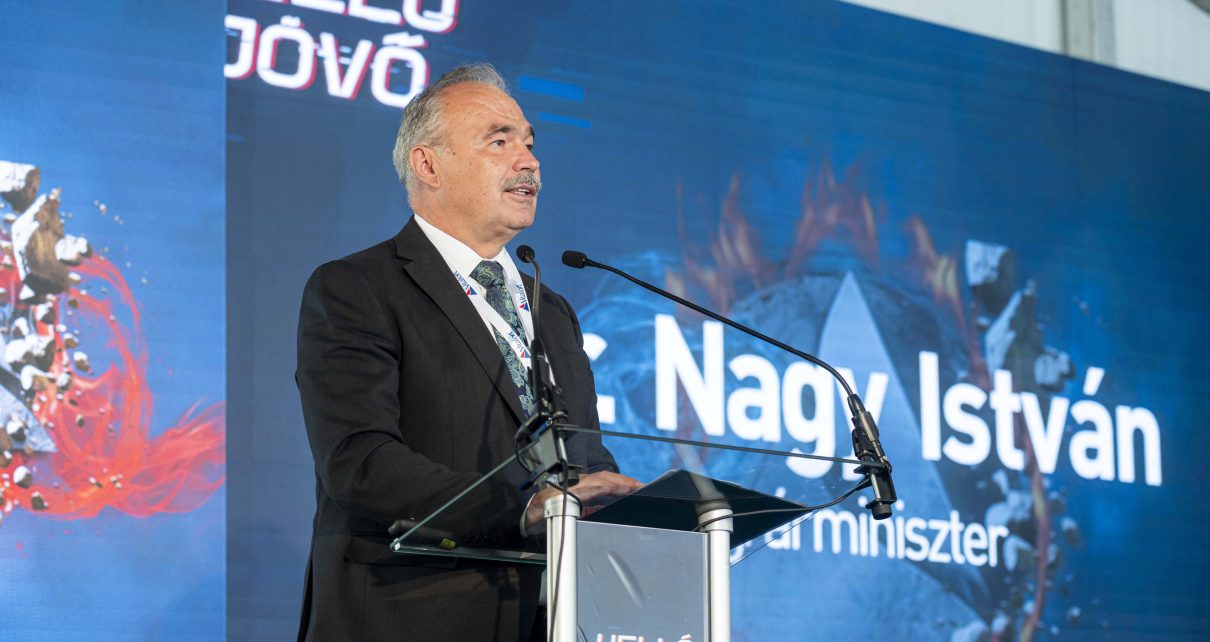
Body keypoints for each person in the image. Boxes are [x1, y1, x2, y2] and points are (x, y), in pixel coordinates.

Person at [294, 63, 642, 641]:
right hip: (410, 614)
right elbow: (359, 461)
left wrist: (623, 504)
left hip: (549, 619)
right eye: (499, 142)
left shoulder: (551, 311)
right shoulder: (359, 288)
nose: (528, 161)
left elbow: (584, 457)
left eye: (529, 143)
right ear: (428, 165)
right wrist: (521, 506)